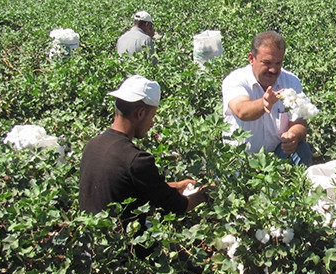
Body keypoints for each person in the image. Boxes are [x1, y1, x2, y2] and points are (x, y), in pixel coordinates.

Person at [80, 75, 209, 223]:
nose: (152, 123)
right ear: (140, 113)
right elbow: (177, 206)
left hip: (93, 240)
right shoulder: (136, 161)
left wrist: (177, 186)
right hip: (127, 244)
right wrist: (205, 193)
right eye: (152, 116)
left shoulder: (93, 145)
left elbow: (126, 187)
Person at [222, 31, 312, 167]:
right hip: (241, 158)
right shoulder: (236, 80)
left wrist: (294, 135)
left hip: (277, 155)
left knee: (302, 149)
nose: (273, 69)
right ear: (251, 59)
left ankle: (301, 187)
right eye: (267, 63)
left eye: (278, 63)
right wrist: (264, 103)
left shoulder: (291, 82)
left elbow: (299, 121)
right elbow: (241, 110)